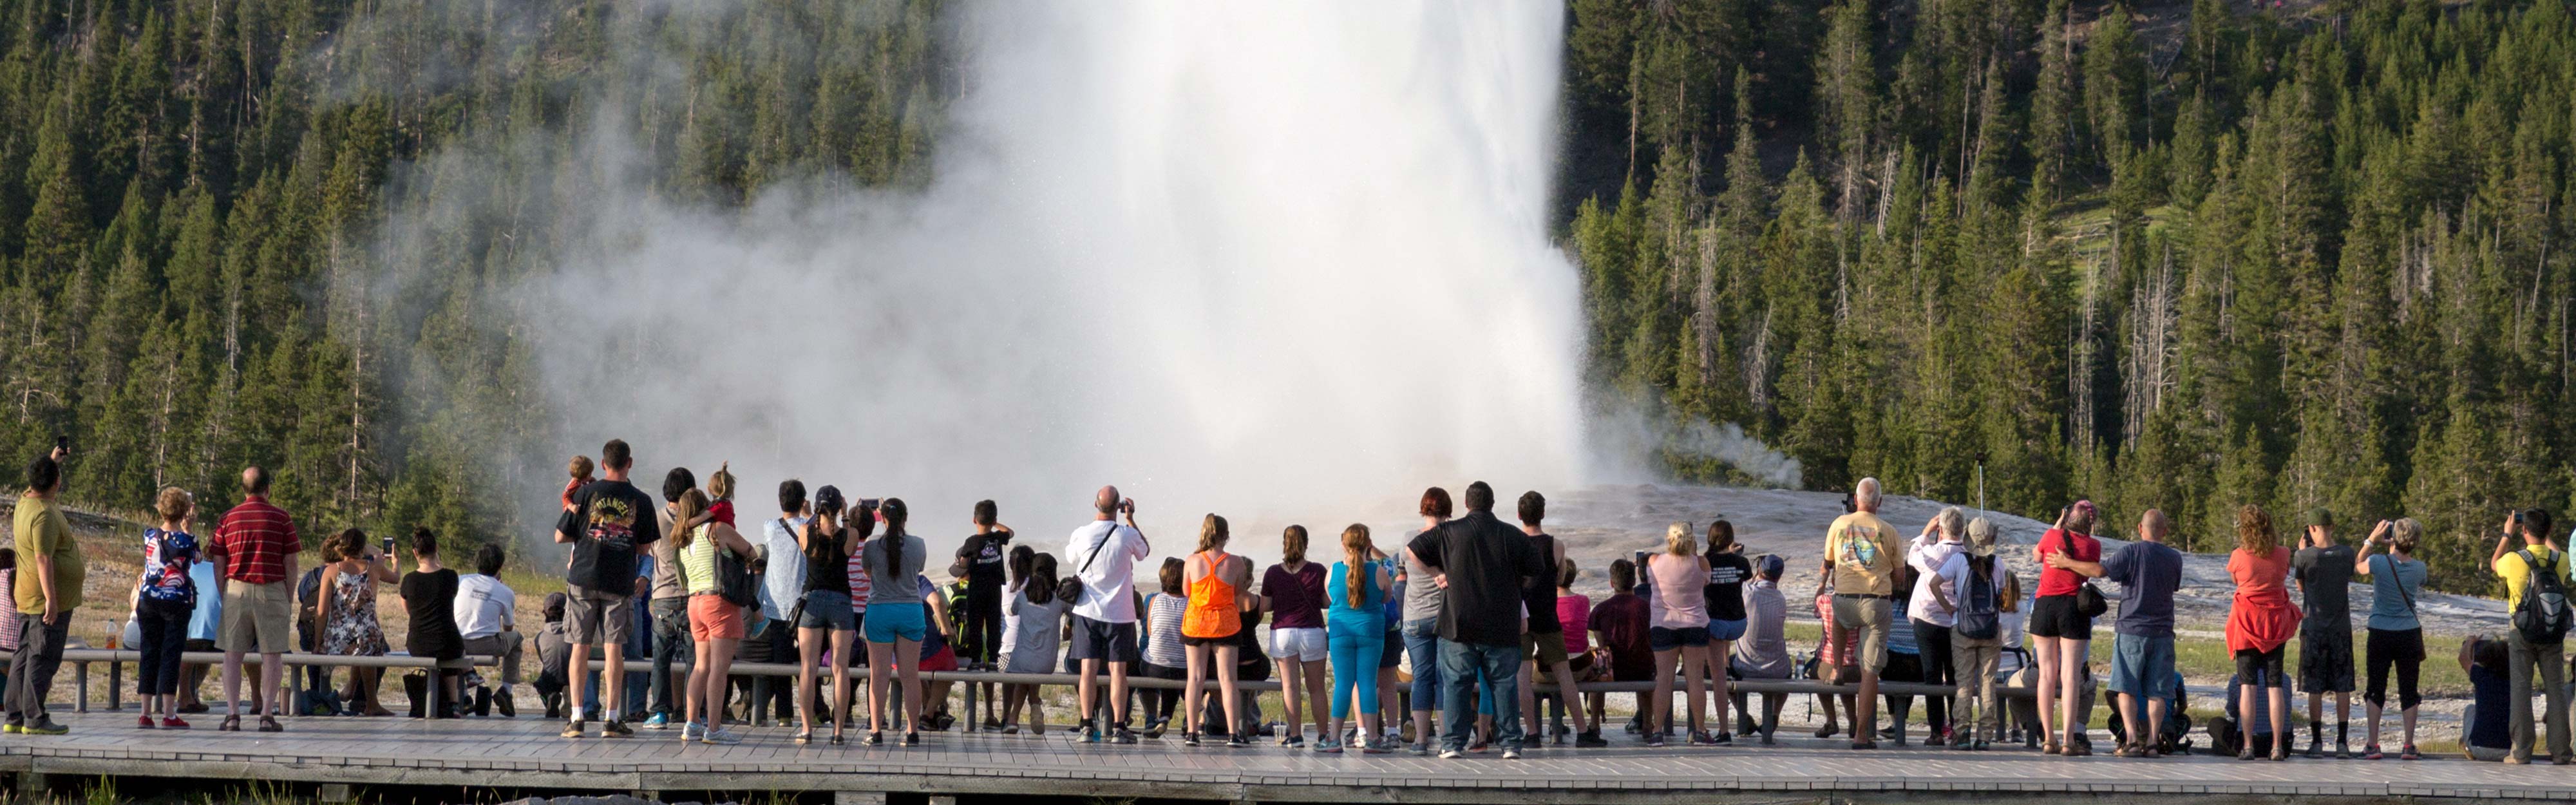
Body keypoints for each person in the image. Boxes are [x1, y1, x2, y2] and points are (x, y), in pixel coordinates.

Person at [1408, 482, 1544, 760]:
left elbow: (1413, 550)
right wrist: (1517, 587)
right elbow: (1537, 568)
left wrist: (1437, 572)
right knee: (1505, 684)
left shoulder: (1449, 531)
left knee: (1457, 683)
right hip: (1502, 623)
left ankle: (1453, 744)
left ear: (1467, 505)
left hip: (1459, 622)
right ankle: (1510, 745)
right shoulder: (1512, 535)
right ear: (1492, 504)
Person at [2047, 508, 2184, 757]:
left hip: (2132, 628)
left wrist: (2067, 563)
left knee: (2126, 688)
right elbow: (2174, 586)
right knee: (2157, 691)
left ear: (2140, 529)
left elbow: (2100, 571)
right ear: (2164, 532)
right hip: (2163, 631)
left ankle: (2131, 740)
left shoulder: (2131, 552)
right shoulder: (2175, 558)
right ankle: (2153, 742)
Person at [554, 440, 661, 739]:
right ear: (630, 463)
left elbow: (561, 537)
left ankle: (577, 719)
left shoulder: (586, 493)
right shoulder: (642, 500)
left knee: (580, 647)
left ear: (603, 464)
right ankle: (612, 720)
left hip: (583, 578)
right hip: (619, 583)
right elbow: (643, 547)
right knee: (615, 649)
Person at [205, 465, 298, 734]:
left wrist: (225, 592)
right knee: (272, 656)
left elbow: (218, 563)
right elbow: (291, 562)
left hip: (236, 589)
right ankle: (267, 715)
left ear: (244, 489)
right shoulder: (282, 519)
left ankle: (233, 715)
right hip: (272, 588)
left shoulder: (228, 519)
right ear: (268, 488)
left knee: (232, 656)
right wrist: (287, 595)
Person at [670, 489, 757, 744]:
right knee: (719, 669)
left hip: (695, 602)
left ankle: (692, 723)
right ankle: (715, 728)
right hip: (718, 601)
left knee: (701, 666)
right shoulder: (717, 529)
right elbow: (751, 552)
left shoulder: (682, 539)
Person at [1065, 486, 1150, 744]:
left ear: (1095, 504)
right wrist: (1132, 519)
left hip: (1088, 611)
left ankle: (1086, 724)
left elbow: (1071, 557)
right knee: (1118, 672)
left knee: (1087, 669)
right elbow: (1144, 551)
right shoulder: (1126, 534)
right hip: (1120, 613)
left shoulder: (1083, 533)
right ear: (1119, 507)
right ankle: (1119, 726)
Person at [1517, 493, 1600, 746]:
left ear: (1519, 516)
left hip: (1521, 615)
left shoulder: (1513, 542)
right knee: (1564, 673)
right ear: (1543, 513)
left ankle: (1531, 733)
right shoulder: (1556, 544)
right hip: (1546, 614)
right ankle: (1583, 731)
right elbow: (1560, 575)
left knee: (1522, 675)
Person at [2488, 507, 2569, 764]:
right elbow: (2557, 553)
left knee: (2521, 689)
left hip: (2521, 629)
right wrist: (2546, 537)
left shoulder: (2515, 559)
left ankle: (2522, 751)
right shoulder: (2561, 560)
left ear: (2524, 531)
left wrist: (2506, 534)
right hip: (2553, 630)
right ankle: (2560, 751)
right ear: (2550, 531)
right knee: (2555, 689)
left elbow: (2494, 564)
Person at [2225, 504, 2301, 761]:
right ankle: (2277, 746)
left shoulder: (2239, 555)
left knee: (2247, 685)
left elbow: (2237, 582)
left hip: (2247, 624)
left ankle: (2247, 745)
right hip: (2275, 624)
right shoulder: (2283, 554)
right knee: (2275, 685)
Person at [2031, 499, 2102, 755]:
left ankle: (2048, 738)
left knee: (2046, 674)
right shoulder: (2093, 545)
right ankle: (2068, 739)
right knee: (2070, 675)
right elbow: (2091, 570)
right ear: (2091, 523)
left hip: (2045, 605)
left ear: (2068, 517)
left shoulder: (2052, 536)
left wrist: (2056, 526)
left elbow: (2037, 555)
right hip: (2073, 607)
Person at [790, 486, 860, 744]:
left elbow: (807, 534)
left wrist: (809, 514)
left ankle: (807, 729)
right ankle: (838, 731)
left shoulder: (804, 531)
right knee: (840, 669)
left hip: (812, 601)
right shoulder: (848, 533)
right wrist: (845, 514)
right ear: (839, 505)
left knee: (807, 668)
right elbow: (850, 545)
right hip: (841, 601)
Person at [2354, 517, 2427, 760]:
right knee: (2409, 689)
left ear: (2394, 537)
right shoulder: (2420, 569)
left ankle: (2373, 744)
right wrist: (2394, 547)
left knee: (2376, 688)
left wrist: (2371, 540)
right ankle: (2408, 745)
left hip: (2380, 631)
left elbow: (2358, 564)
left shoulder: (2378, 562)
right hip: (2408, 632)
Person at [1934, 517, 2008, 751]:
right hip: (1990, 629)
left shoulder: (1959, 560)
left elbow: (1934, 583)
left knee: (1964, 683)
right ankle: (1985, 736)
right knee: (1988, 683)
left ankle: (1962, 732)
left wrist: (1948, 608)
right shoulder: (1999, 564)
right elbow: (2003, 593)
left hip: (1962, 627)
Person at [1321, 524, 1394, 753]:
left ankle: (1334, 738)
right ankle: (1372, 738)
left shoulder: (1333, 570)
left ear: (1344, 544)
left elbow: (1331, 596)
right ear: (1368, 544)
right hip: (1371, 632)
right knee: (1367, 682)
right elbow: (1387, 597)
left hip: (1341, 631)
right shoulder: (1378, 571)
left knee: (1343, 683)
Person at [132, 486, 201, 730]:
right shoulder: (188, 540)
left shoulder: (149, 535)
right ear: (184, 512)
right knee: (171, 655)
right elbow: (197, 559)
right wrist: (189, 528)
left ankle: (145, 712)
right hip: (176, 601)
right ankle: (169, 713)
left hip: (148, 600)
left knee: (148, 652)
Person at [862, 498, 929, 745]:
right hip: (911, 609)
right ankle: (912, 732)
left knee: (878, 675)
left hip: (880, 610)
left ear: (883, 519)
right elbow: (917, 570)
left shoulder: (871, 546)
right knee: (910, 675)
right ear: (906, 518)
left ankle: (876, 731)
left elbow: (868, 572)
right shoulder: (918, 545)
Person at [1179, 515, 1250, 746]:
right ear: (1225, 535)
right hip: (1225, 623)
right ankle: (1233, 733)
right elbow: (1238, 591)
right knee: (1228, 679)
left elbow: (1187, 592)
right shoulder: (1236, 562)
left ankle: (1192, 732)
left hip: (1197, 622)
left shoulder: (1192, 560)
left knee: (1196, 678)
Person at [2292, 507, 2358, 757]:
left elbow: (2301, 587)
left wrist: (2301, 551)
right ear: (2333, 526)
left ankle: (2317, 742)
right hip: (2341, 627)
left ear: (2312, 529)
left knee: (2314, 687)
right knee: (2343, 686)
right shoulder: (2346, 554)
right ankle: (2342, 742)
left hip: (2314, 627)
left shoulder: (2304, 556)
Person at [1643, 522, 1712, 747]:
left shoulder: (1654, 561)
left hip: (1664, 624)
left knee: (1664, 679)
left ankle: (1657, 731)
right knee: (1696, 680)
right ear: (1692, 540)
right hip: (1695, 624)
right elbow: (1706, 580)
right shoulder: (1700, 562)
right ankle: (1700, 730)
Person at [640, 466, 698, 730]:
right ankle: (692, 712)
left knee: (660, 659)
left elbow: (647, 550)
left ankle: (660, 713)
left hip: (663, 597)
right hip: (692, 597)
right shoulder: (698, 521)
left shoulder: (657, 519)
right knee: (693, 659)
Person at [1400, 487, 1457, 755]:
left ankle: (1421, 741)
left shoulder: (1409, 538)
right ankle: (1447, 740)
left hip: (1415, 617)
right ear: (1448, 510)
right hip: (1444, 617)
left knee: (1422, 677)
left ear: (1423, 508)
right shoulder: (1452, 537)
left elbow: (1401, 570)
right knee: (1444, 677)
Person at [1904, 507, 1965, 746]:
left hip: (1928, 618)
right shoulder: (1967, 555)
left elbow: (1912, 557)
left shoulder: (1933, 552)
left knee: (1931, 675)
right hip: (1955, 621)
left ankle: (1936, 731)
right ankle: (1957, 727)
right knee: (1953, 676)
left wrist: (1925, 532)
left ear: (1941, 529)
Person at [316, 529, 394, 715]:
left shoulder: (331, 570)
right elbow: (396, 578)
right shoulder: (374, 567)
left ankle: (330, 696)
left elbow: (322, 610)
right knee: (366, 646)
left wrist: (318, 642)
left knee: (352, 648)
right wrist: (394, 561)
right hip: (369, 635)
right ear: (362, 547)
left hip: (338, 636)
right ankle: (371, 703)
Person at [1263, 525, 1329, 747]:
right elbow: (1327, 602)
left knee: (1290, 687)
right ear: (1307, 544)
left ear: (1284, 543)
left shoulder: (1273, 572)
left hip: (1283, 632)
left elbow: (1266, 605)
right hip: (1312, 631)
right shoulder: (1318, 570)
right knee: (1317, 688)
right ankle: (1323, 736)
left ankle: (1296, 736)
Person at [757, 480, 809, 726]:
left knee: (781, 660)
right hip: (802, 606)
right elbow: (809, 527)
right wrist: (808, 514)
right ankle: (815, 708)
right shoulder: (807, 527)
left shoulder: (770, 528)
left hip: (776, 604)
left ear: (780, 501)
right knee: (809, 659)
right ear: (802, 501)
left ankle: (784, 715)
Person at [400, 528, 466, 719]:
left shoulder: (409, 579)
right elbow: (449, 599)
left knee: (443, 645)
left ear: (415, 553)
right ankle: (454, 703)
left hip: (418, 644)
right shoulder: (450, 576)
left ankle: (444, 702)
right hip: (448, 642)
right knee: (450, 649)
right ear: (437, 548)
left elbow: (408, 609)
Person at [999, 551, 1067, 734]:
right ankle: (1035, 705)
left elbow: (1012, 612)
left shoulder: (1023, 596)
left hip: (1022, 659)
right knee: (1032, 671)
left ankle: (1014, 718)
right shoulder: (1059, 599)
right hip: (1047, 662)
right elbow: (1074, 614)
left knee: (1024, 674)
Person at [1587, 558, 1651, 742]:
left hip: (1612, 671)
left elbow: (1602, 648)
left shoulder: (1600, 610)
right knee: (1646, 659)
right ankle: (1647, 725)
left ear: (1611, 583)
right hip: (1642, 669)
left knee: (1599, 664)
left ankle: (1595, 725)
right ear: (1634, 581)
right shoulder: (1646, 607)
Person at [1729, 554, 1790, 744]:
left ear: (1759, 571)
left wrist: (1734, 554)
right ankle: (1774, 714)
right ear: (1779, 577)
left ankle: (1743, 714)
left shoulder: (1747, 592)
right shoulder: (1781, 599)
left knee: (1725, 668)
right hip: (1778, 669)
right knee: (1788, 671)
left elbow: (1739, 581)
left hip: (1746, 667)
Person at [456, 544, 522, 717]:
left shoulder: (461, 580)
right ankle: (506, 690)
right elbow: (508, 628)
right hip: (487, 645)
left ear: (477, 562)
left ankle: (463, 697)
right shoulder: (505, 592)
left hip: (457, 644)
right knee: (517, 639)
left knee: (453, 656)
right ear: (500, 567)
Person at [956, 500, 1014, 677]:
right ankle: (993, 661)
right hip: (994, 589)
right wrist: (995, 523)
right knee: (993, 624)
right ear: (994, 519)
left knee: (975, 624)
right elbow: (1010, 532)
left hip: (976, 589)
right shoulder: (997, 538)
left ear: (975, 520)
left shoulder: (971, 542)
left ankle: (975, 660)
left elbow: (964, 563)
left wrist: (964, 562)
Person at [1137, 556, 1188, 737]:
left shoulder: (1153, 600)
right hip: (1183, 668)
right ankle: (1172, 716)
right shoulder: (1191, 603)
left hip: (1153, 668)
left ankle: (1155, 717)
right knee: (1177, 666)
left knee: (1159, 663)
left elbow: (1150, 631)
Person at [2211, 671, 2289, 758]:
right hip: (2283, 744)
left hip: (2249, 742)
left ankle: (2244, 747)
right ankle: (2276, 748)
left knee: (2215, 723)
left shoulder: (2237, 679)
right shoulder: (2285, 679)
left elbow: (2231, 714)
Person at [2461, 634, 2513, 761]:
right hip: (2509, 750)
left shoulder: (2481, 675)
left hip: (2480, 749)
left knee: (2470, 709)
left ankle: (2467, 747)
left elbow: (2463, 659)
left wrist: (2470, 642)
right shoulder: (2514, 679)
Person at [535, 592, 571, 718]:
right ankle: (571, 695)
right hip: (572, 676)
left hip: (551, 678)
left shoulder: (540, 637)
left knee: (541, 682)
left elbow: (543, 659)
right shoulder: (573, 634)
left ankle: (550, 696)